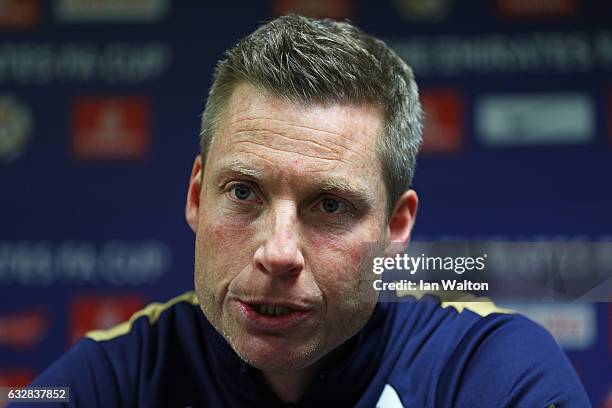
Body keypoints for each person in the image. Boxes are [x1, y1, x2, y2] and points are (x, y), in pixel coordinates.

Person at [20, 14, 590, 408]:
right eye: (243, 193)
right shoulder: (114, 372)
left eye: (330, 205)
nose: (278, 252)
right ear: (197, 195)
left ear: (395, 230)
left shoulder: (494, 372)